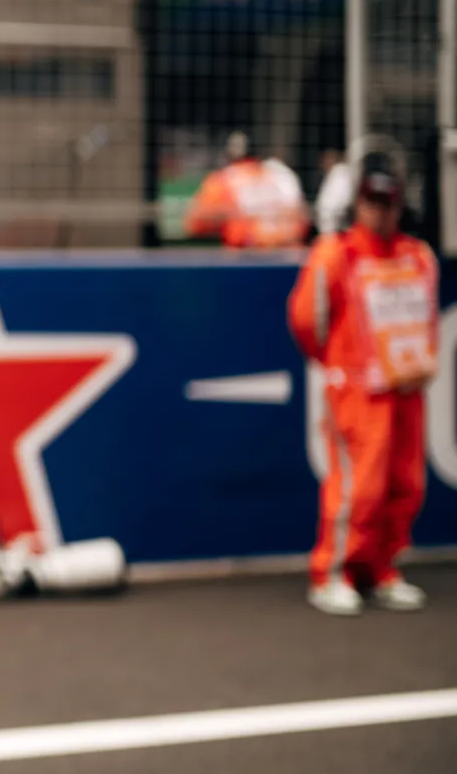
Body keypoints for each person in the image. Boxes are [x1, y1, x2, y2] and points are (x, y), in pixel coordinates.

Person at [288, 156, 438, 616]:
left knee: (405, 484)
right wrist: (339, 366)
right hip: (356, 392)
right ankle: (333, 573)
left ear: (400, 205)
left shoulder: (418, 255)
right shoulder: (335, 254)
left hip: (405, 387)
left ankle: (382, 569)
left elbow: (428, 319)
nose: (380, 212)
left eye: (388, 203)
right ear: (357, 202)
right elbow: (306, 320)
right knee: (359, 488)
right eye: (372, 202)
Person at [184, 130, 310, 248]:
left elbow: (194, 223)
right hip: (288, 251)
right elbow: (304, 218)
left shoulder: (223, 179)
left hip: (245, 253)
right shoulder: (282, 174)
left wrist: (235, 214)